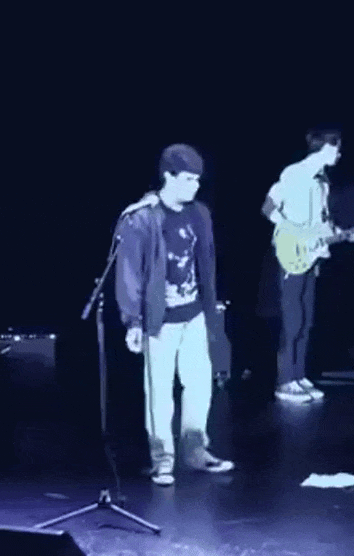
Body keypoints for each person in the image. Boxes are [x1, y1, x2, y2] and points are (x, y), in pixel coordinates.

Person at [114, 144, 234, 486]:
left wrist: (211, 311)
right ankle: (162, 459)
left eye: (197, 180)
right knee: (159, 392)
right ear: (168, 176)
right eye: (187, 179)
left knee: (198, 384)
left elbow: (205, 263)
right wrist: (133, 320)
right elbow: (129, 273)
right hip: (159, 320)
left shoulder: (200, 214)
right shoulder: (142, 217)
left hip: (194, 314)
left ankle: (196, 450)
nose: (195, 186)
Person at [261, 128, 354, 403]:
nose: (340, 154)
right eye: (337, 148)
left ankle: (298, 375)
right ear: (326, 148)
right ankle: (285, 382)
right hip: (291, 253)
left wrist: (344, 234)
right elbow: (269, 207)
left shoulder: (323, 182)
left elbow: (321, 223)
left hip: (312, 256)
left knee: (306, 320)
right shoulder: (294, 174)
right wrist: (292, 232)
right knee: (293, 319)